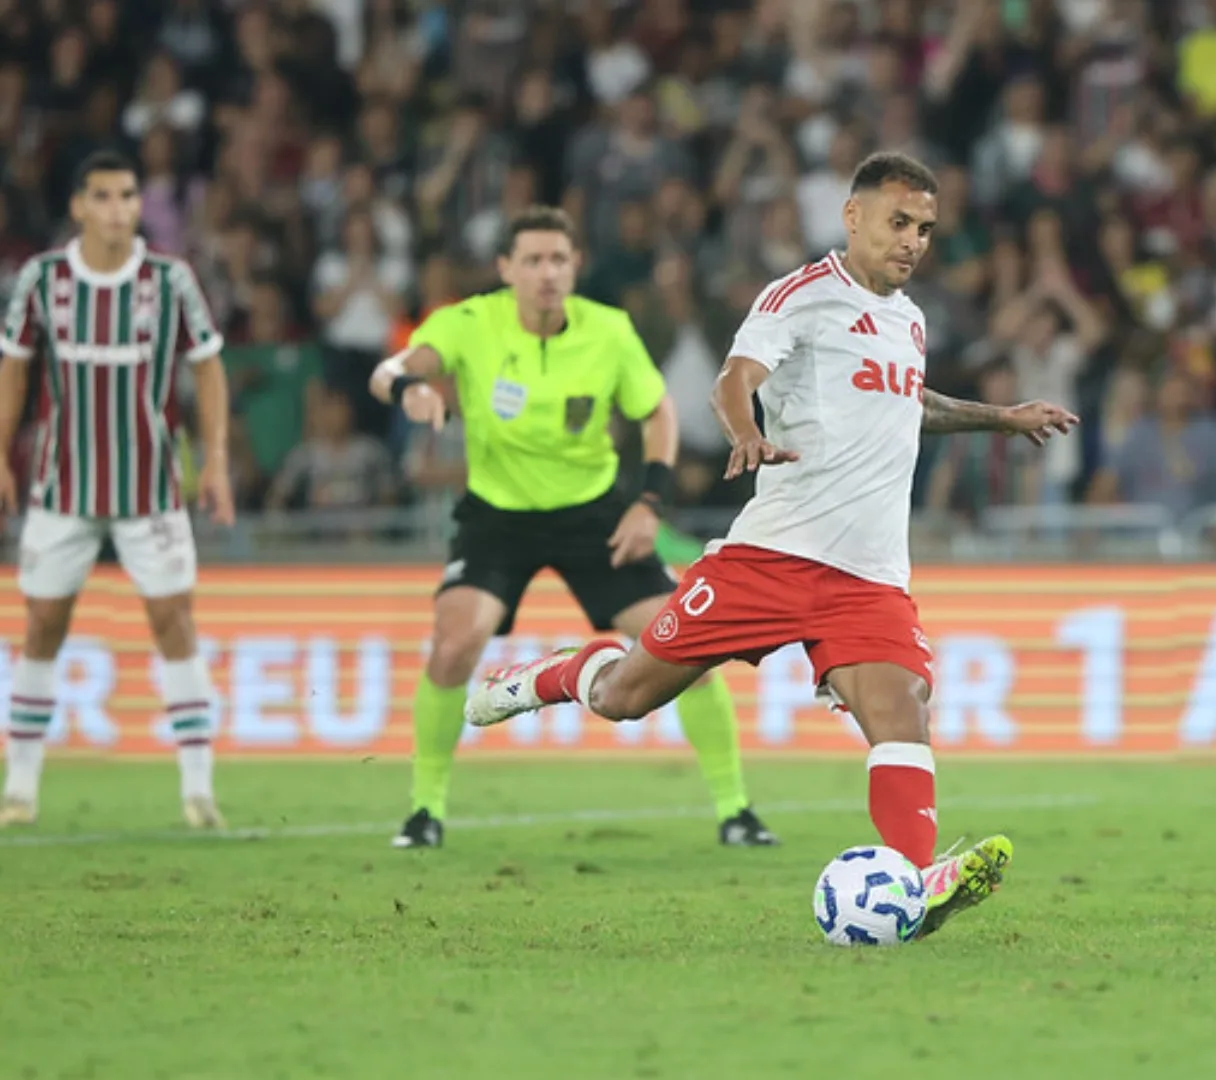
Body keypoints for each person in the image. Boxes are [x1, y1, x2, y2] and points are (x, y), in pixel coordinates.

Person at [465, 154, 1078, 939]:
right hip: (772, 558)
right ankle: (544, 676)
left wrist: (1000, 417)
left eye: (926, 229)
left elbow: (908, 402)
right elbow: (733, 378)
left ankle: (913, 886)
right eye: (899, 222)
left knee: (903, 712)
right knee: (625, 697)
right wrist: (746, 433)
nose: (913, 241)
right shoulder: (801, 296)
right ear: (853, 217)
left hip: (868, 576)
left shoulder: (910, 320)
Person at [368, 205, 775, 851]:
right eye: (532, 260)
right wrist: (408, 391)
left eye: (558, 259)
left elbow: (658, 414)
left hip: (593, 513)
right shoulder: (468, 322)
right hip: (496, 515)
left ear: (575, 266)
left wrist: (649, 502)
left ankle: (737, 812)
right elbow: (388, 371)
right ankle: (424, 812)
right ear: (506, 268)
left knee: (686, 649)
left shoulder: (608, 330)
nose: (547, 272)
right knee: (453, 644)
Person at [0, 150, 234, 829]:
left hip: (150, 488)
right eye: (102, 196)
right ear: (78, 206)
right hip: (61, 488)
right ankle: (21, 788)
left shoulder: (170, 279)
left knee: (173, 621)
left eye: (127, 195)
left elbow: (208, 367)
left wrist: (215, 460)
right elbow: (14, 368)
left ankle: (199, 791)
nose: (116, 209)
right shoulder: (43, 278)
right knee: (43, 625)